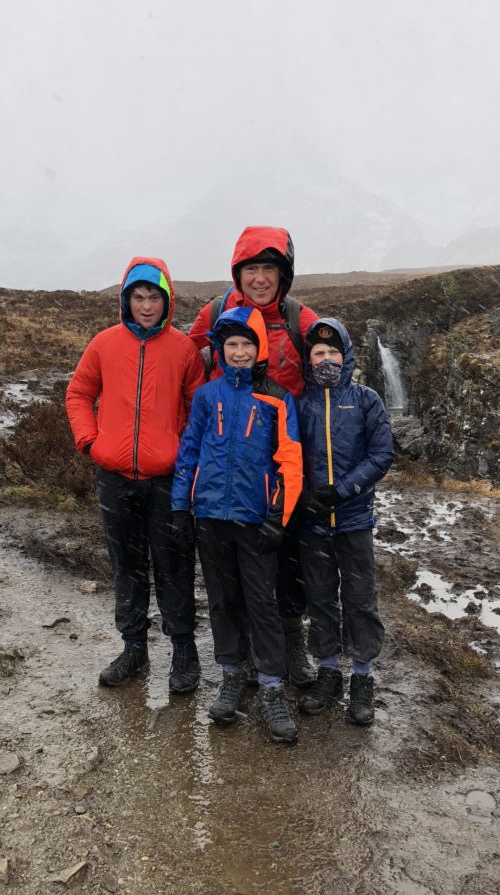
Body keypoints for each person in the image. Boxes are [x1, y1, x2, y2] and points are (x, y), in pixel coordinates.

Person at [65, 257, 205, 692]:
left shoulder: (183, 349)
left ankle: (183, 650)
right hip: (115, 477)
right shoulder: (104, 344)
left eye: (154, 298)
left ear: (167, 301)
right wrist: (91, 442)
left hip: (167, 480)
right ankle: (134, 649)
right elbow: (78, 393)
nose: (146, 306)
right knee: (126, 566)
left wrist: (183, 454)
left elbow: (199, 409)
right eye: (139, 297)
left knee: (174, 564)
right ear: (126, 300)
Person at [189, 226, 318, 686]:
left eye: (269, 268)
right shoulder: (217, 313)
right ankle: (239, 655)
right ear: (237, 273)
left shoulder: (301, 318)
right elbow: (188, 366)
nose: (260, 278)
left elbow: (330, 363)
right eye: (251, 269)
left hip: (287, 454)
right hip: (233, 457)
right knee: (237, 564)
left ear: (283, 274)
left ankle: (291, 642)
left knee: (289, 557)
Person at [172, 306, 303, 743]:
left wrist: (277, 516)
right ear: (221, 349)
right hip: (210, 516)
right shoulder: (208, 396)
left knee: (262, 603)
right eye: (232, 344)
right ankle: (232, 673)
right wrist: (179, 507)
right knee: (223, 600)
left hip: (255, 519)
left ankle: (270, 686)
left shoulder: (278, 398)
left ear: (260, 346)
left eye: (248, 343)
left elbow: (290, 460)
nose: (240, 351)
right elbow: (190, 450)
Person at [295, 317, 395, 725]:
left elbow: (381, 455)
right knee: (319, 600)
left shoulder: (367, 399)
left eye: (333, 352)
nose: (326, 359)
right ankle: (328, 670)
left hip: (353, 520)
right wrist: (305, 496)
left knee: (360, 600)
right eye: (318, 353)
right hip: (312, 524)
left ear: (347, 354)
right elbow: (286, 456)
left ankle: (363, 677)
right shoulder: (299, 403)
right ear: (309, 358)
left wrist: (343, 490)